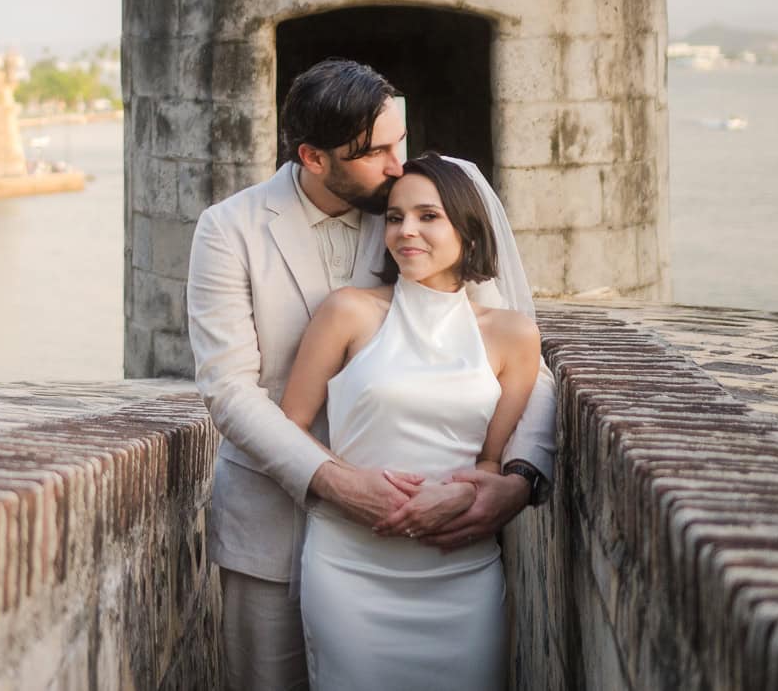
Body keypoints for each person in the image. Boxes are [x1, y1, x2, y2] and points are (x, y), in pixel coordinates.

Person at [187, 58, 553, 691]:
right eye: (376, 151)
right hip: (270, 525)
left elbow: (519, 360)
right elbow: (229, 390)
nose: (395, 165)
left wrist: (516, 477)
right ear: (314, 157)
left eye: (398, 141)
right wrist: (334, 480)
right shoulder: (229, 229)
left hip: (432, 538)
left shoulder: (417, 212)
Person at [279, 152, 540, 690]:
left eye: (428, 216)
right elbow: (290, 427)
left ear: (467, 229)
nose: (405, 232)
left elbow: (490, 461)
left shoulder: (512, 335)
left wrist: (466, 496)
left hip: (460, 573)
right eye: (395, 217)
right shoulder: (347, 312)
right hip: (350, 567)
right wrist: (352, 485)